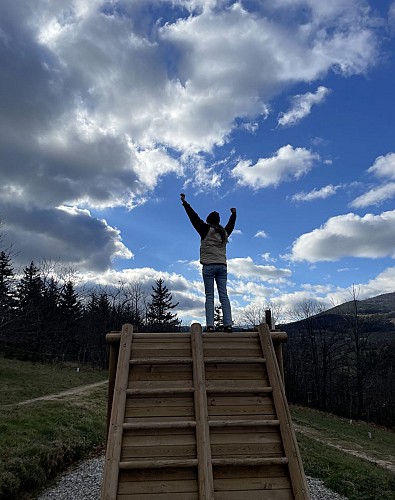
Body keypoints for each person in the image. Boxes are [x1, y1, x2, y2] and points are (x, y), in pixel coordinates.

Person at [180, 193, 236, 332]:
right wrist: (234, 214)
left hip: (209, 266)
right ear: (218, 221)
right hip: (222, 267)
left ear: (209, 221)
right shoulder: (224, 233)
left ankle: (210, 326)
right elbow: (231, 225)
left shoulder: (205, 230)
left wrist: (185, 203)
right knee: (224, 295)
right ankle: (228, 324)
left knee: (209, 296)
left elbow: (193, 217)